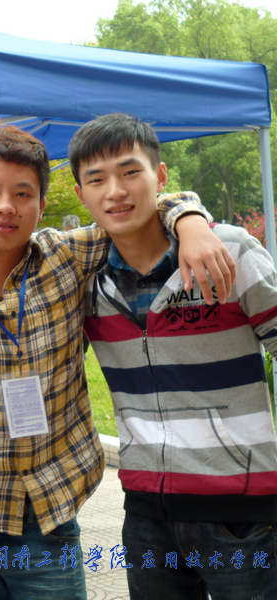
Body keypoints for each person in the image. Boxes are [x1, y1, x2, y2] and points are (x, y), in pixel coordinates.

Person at [0, 124, 234, 599]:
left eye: (22, 193)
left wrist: (189, 220)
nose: (5, 205)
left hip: (47, 515)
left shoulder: (68, 256)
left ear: (42, 204)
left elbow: (138, 209)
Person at [71, 113, 277, 600]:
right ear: (80, 194)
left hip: (242, 514)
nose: (115, 191)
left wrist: (192, 221)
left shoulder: (228, 252)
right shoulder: (85, 281)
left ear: (160, 176)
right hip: (147, 515)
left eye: (130, 172)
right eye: (96, 180)